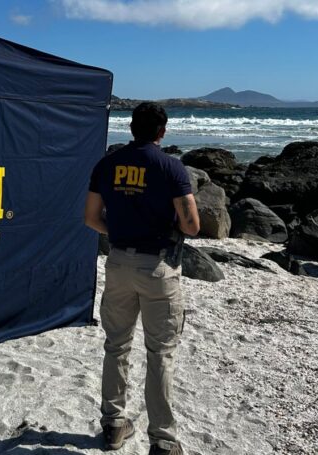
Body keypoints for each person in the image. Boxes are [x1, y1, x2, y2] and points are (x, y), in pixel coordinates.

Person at [85, 102, 199, 455]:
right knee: (160, 353)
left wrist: (121, 233)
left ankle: (113, 424)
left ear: (131, 127)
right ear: (162, 132)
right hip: (158, 267)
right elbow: (192, 225)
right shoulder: (171, 167)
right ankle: (162, 440)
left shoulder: (107, 164)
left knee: (116, 345)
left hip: (119, 262)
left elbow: (91, 218)